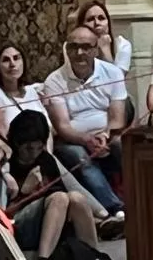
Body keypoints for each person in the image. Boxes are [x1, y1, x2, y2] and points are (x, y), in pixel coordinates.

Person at [42, 25, 128, 226]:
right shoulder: (54, 81)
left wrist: (105, 136)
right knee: (80, 157)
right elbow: (62, 126)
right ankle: (116, 209)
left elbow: (117, 118)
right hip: (73, 139)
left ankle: (142, 198)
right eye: (73, 47)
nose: (79, 53)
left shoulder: (113, 73)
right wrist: (87, 140)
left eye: (86, 47)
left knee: (124, 146)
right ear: (67, 49)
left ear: (96, 49)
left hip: (108, 134)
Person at [6, 111, 100, 260]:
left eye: (39, 148)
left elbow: (61, 194)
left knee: (76, 198)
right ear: (17, 143)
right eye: (29, 149)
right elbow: (2, 213)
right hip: (18, 225)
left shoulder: (45, 160)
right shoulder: (8, 164)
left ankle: (94, 258)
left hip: (51, 222)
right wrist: (25, 191)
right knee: (59, 198)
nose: (34, 154)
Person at [0, 43, 47, 139]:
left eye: (16, 58)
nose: (12, 64)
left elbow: (49, 127)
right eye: (6, 60)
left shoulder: (32, 91)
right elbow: (3, 134)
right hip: (10, 150)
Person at [78, 0, 132, 73]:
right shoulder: (72, 47)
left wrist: (105, 49)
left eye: (101, 18)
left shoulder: (122, 45)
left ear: (108, 22)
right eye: (90, 19)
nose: (97, 23)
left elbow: (117, 81)